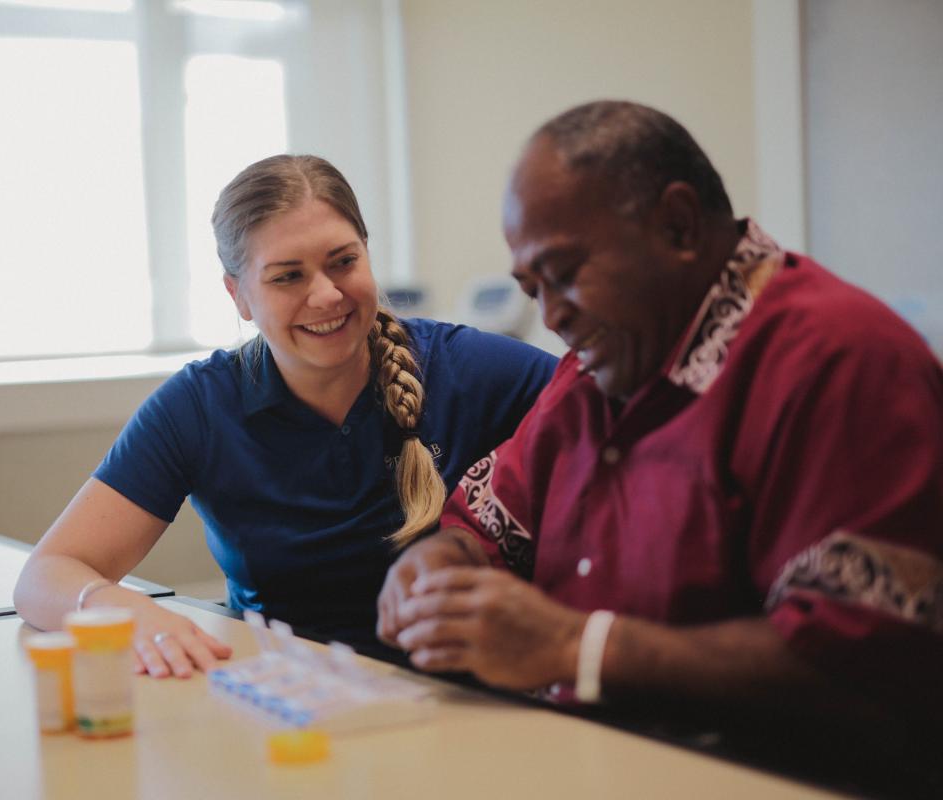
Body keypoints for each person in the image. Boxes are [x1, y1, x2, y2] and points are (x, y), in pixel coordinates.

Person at [378, 101, 942, 751]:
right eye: (533, 288)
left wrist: (577, 646)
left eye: (563, 274)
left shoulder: (842, 363)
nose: (553, 315)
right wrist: (439, 561)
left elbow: (858, 667)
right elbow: (487, 526)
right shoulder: (598, 367)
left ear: (677, 227)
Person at [15, 154, 559, 679]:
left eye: (343, 262)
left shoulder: (469, 369)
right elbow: (45, 575)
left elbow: (621, 420)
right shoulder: (201, 406)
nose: (325, 295)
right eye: (287, 277)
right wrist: (122, 608)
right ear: (239, 295)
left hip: (459, 707)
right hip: (286, 706)